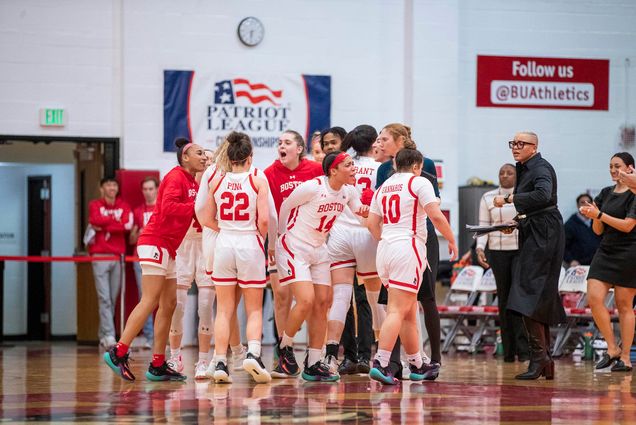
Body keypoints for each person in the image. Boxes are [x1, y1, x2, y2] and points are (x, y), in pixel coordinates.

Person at [103, 137, 206, 381]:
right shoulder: (175, 176)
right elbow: (170, 208)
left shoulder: (193, 181)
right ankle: (118, 352)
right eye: (199, 153)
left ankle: (158, 363)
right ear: (185, 157)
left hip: (170, 247)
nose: (204, 157)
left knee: (169, 304)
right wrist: (196, 207)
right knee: (149, 300)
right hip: (154, 241)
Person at [275, 151, 368, 382]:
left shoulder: (348, 191)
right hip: (295, 245)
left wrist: (369, 212)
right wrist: (281, 235)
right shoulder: (313, 187)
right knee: (306, 300)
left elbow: (360, 214)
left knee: (323, 301)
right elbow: (285, 206)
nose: (353, 168)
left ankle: (314, 361)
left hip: (319, 248)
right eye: (348, 165)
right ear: (333, 170)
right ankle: (285, 348)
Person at [368, 149, 457, 385]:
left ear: (396, 164)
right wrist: (451, 239)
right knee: (397, 309)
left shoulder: (384, 186)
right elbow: (435, 216)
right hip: (407, 247)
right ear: (417, 166)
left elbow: (371, 223)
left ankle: (417, 363)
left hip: (385, 248)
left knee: (408, 311)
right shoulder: (419, 182)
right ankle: (381, 361)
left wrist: (386, 240)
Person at [198, 131, 271, 384]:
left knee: (224, 309)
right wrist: (257, 237)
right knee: (253, 309)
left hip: (224, 244)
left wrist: (227, 229)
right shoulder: (258, 178)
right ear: (249, 157)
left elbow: (206, 218)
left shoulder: (217, 181)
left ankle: (219, 361)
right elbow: (264, 220)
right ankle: (253, 353)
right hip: (249, 243)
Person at [493, 131, 566, 380]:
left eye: (521, 143)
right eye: (513, 143)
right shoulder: (525, 167)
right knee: (538, 294)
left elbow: (544, 196)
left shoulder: (541, 167)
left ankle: (540, 357)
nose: (515, 147)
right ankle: (544, 360)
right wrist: (517, 220)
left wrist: (510, 198)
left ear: (534, 147)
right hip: (536, 228)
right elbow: (536, 204)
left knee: (526, 292)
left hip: (544, 233)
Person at [375, 123, 443, 379]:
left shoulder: (425, 164)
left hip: (419, 239)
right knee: (397, 305)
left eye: (384, 139)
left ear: (400, 140)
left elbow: (433, 206)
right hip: (401, 243)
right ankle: (391, 362)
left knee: (426, 299)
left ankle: (432, 358)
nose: (379, 143)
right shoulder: (383, 168)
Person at [263, 130, 323, 373]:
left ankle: (314, 352)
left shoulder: (314, 170)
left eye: (287, 142)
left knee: (310, 300)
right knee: (282, 295)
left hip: (309, 242)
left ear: (299, 149)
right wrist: (269, 243)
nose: (281, 146)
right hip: (280, 240)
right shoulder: (269, 174)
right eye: (279, 143)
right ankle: (284, 353)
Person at [324, 125, 382, 375]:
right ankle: (382, 356)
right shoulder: (381, 168)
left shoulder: (342, 164)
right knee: (375, 300)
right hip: (367, 232)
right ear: (374, 142)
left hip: (340, 233)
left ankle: (330, 356)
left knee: (340, 297)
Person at [580, 152, 636, 372]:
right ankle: (612, 348)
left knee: (624, 306)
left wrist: (600, 214)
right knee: (594, 298)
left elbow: (628, 225)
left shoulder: (634, 194)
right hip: (605, 250)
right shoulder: (605, 192)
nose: (613, 170)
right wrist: (593, 216)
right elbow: (597, 230)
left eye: (618, 166)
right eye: (611, 166)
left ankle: (625, 358)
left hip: (629, 251)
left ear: (630, 168)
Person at [475, 164, 529, 362]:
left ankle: (524, 350)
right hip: (497, 253)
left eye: (509, 173)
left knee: (518, 299)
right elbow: (483, 226)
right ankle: (508, 351)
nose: (505, 176)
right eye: (501, 173)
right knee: (504, 301)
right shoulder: (487, 197)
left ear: (517, 176)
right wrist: (480, 248)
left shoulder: (523, 196)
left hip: (519, 251)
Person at [88, 177, 133, 349]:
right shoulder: (95, 205)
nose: (112, 187)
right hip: (99, 255)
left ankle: (103, 334)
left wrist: (106, 225)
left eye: (114, 185)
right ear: (102, 188)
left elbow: (128, 226)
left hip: (118, 256)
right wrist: (116, 223)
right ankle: (108, 335)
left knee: (112, 298)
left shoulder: (124, 205)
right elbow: (94, 220)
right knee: (104, 298)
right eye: (108, 185)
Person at [129, 176, 160, 348]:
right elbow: (132, 239)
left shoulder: (161, 208)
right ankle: (149, 336)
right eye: (145, 189)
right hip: (140, 257)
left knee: (165, 299)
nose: (148, 192)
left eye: (151, 189)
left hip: (160, 256)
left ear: (156, 189)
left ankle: (164, 337)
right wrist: (140, 231)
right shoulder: (137, 211)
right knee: (146, 298)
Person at [564, 194, 601, 267]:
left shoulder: (598, 222)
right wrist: (571, 260)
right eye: (582, 202)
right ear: (578, 206)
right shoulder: (569, 225)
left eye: (588, 202)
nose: (586, 204)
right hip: (579, 267)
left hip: (597, 266)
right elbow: (563, 247)